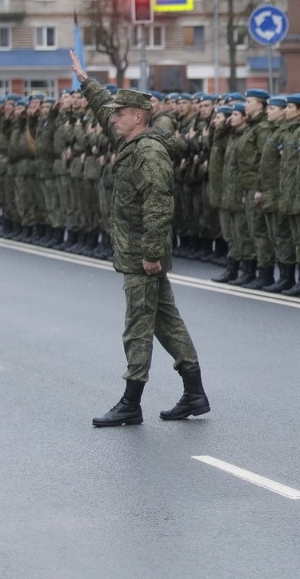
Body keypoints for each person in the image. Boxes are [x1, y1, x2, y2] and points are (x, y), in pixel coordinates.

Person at [69, 50, 211, 427]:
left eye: (120, 113)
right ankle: (195, 393)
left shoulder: (148, 152)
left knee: (137, 326)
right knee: (166, 321)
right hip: (138, 251)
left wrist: (151, 253)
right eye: (113, 113)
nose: (112, 118)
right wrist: (87, 83)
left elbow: (159, 206)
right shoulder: (132, 140)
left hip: (141, 255)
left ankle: (131, 402)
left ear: (138, 117)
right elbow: (103, 110)